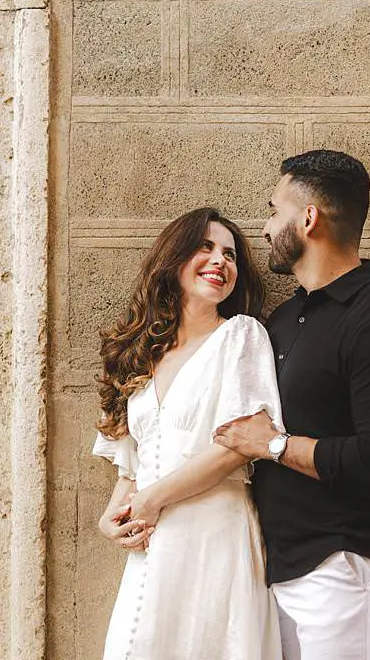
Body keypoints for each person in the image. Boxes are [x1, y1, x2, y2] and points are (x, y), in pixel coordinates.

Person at [215, 150, 370, 660]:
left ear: (308, 219)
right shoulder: (285, 320)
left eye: (273, 209)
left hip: (341, 567)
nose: (264, 227)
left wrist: (274, 446)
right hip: (276, 567)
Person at [91, 206, 284, 660]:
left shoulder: (241, 337)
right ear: (173, 259)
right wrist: (110, 518)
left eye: (231, 255)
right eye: (205, 247)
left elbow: (236, 449)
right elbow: (132, 467)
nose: (220, 261)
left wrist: (153, 499)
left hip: (213, 535)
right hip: (151, 545)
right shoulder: (141, 354)